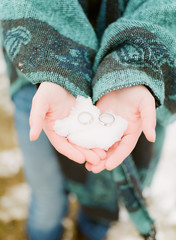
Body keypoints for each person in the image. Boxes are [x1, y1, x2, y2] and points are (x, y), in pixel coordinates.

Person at [0, 0, 176, 240]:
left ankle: (90, 232)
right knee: (46, 200)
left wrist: (135, 67)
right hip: (38, 79)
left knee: (104, 199)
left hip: (135, 88)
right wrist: (55, 67)